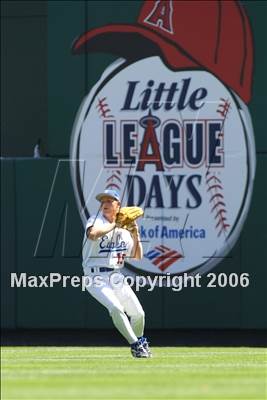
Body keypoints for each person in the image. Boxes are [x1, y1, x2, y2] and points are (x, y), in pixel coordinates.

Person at [82, 189, 151, 358]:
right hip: (95, 276)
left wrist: (135, 234)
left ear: (118, 206)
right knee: (116, 308)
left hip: (116, 276)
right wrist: (115, 225)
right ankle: (136, 345)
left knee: (138, 314)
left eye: (109, 201)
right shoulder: (95, 220)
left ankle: (140, 341)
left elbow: (137, 255)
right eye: (102, 201)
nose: (104, 204)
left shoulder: (124, 230)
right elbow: (92, 235)